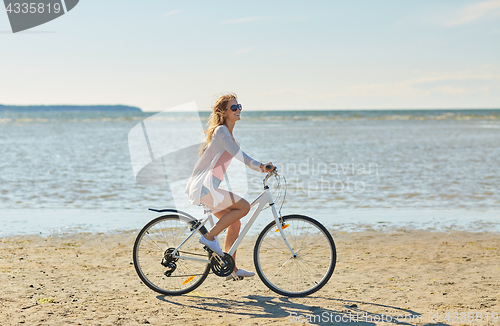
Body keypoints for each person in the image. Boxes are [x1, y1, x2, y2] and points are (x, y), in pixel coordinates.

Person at [184, 93, 274, 279]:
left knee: (235, 223)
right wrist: (261, 167)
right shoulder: (221, 133)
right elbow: (241, 156)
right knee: (244, 206)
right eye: (234, 107)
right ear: (224, 112)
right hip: (204, 188)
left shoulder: (228, 135)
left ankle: (230, 269)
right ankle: (209, 237)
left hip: (206, 188)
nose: (238, 109)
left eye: (239, 106)